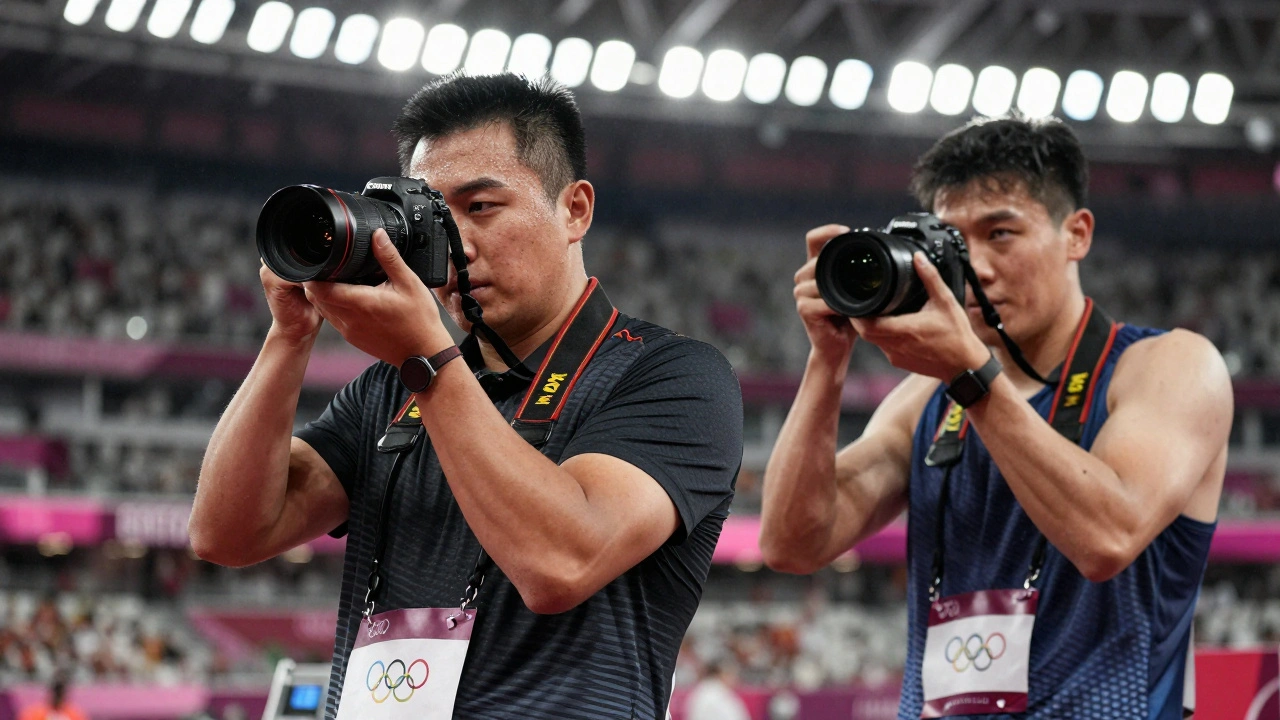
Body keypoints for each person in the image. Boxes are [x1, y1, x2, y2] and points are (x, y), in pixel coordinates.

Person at [189, 73, 742, 720]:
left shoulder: (673, 376)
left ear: (574, 210)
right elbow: (226, 534)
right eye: (432, 218)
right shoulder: (391, 390)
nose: (456, 246)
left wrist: (427, 362)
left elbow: (561, 563)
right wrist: (289, 337)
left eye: (480, 207)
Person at [760, 115, 1231, 718]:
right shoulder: (926, 399)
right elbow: (791, 543)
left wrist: (970, 376)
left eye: (1001, 233)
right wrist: (827, 360)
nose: (976, 267)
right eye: (953, 243)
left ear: (1076, 234)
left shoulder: (1170, 367)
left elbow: (1107, 539)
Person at [685, 660, 751, 720]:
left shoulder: (701, 690)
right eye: (733, 675)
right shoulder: (717, 694)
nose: (736, 679)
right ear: (723, 674)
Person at [18, 675, 88, 720]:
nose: (57, 698)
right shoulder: (34, 713)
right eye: (56, 693)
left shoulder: (74, 714)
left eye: (60, 694)